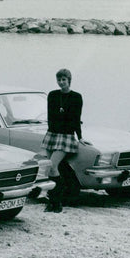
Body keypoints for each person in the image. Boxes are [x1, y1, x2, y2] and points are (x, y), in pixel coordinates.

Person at [42, 68, 83, 212]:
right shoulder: (53, 95)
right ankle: (52, 202)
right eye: (59, 80)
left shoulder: (76, 97)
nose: (61, 82)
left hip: (66, 136)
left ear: (69, 80)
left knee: (53, 165)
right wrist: (51, 132)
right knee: (50, 168)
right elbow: (50, 116)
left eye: (63, 80)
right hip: (52, 134)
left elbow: (76, 118)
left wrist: (80, 137)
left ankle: (57, 202)